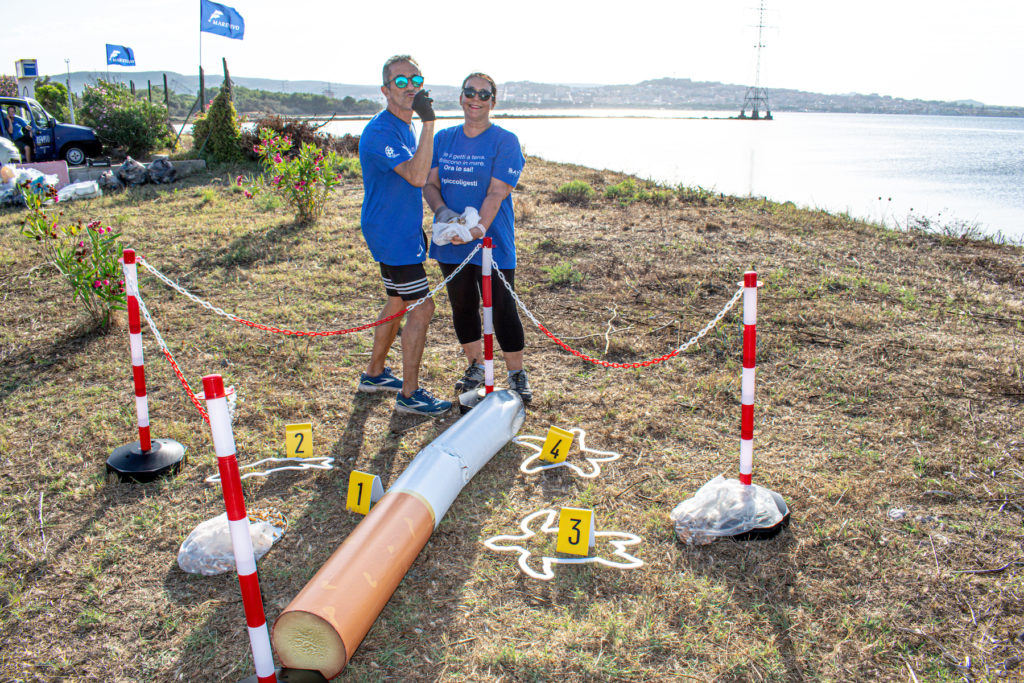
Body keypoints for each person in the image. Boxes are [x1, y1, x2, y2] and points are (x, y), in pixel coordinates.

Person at [423, 72, 531, 403]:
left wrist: (477, 230)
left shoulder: (505, 141)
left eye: (484, 94)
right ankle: (475, 367)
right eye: (470, 92)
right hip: (450, 239)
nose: (476, 99)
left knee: (502, 307)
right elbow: (430, 184)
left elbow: (497, 192)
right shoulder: (443, 139)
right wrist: (443, 213)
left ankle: (516, 374)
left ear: (493, 102)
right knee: (463, 306)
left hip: (491, 241)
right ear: (461, 97)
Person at [356, 55, 452, 417]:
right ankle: (410, 395)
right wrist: (429, 122)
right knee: (422, 307)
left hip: (399, 229)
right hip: (391, 233)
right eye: (400, 81)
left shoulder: (404, 126)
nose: (410, 86)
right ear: (385, 90)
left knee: (397, 300)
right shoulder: (382, 131)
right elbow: (416, 176)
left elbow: (419, 172)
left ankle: (374, 374)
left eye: (416, 80)